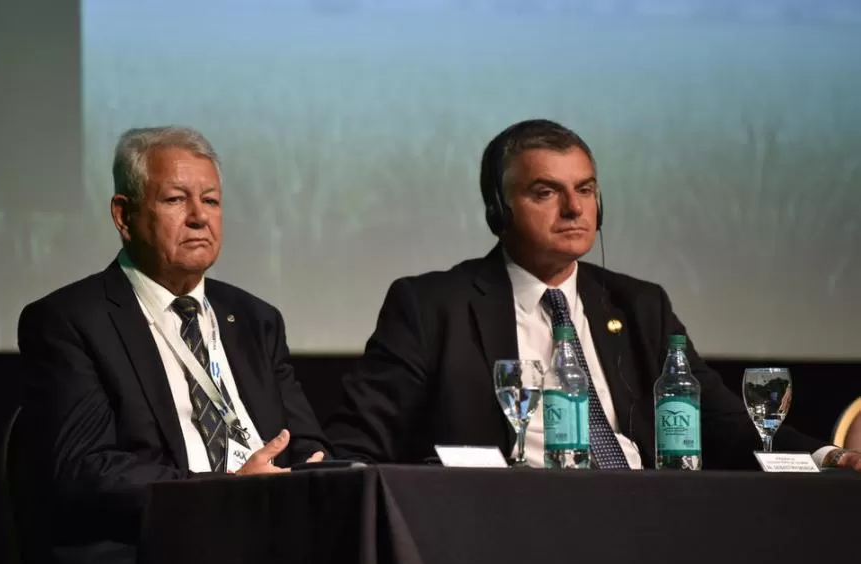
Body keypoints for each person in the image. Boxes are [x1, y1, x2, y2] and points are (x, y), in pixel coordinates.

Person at [324, 118, 861, 472]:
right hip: (499, 527)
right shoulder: (431, 306)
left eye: (585, 190)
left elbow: (717, 418)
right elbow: (358, 445)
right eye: (545, 192)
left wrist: (827, 455)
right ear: (497, 211)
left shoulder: (639, 305)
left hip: (639, 518)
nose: (575, 210)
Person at [12, 126, 331, 564]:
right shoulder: (71, 320)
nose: (200, 216)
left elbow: (306, 443)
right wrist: (220, 497)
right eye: (176, 199)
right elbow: (85, 469)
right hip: (154, 556)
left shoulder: (255, 319)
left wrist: (308, 478)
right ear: (124, 215)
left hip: (270, 544)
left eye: (211, 200)